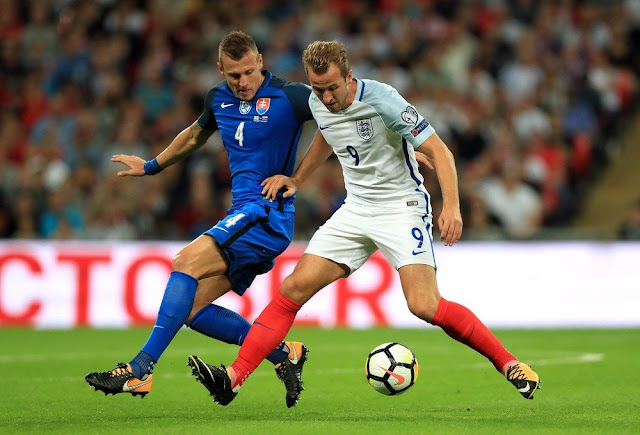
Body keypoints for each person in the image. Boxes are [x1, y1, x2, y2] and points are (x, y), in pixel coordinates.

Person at [187, 40, 541, 406]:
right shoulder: (316, 101)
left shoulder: (383, 99)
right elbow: (327, 135)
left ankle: (509, 364)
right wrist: (297, 179)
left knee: (424, 304)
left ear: (349, 77)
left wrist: (451, 206)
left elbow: (440, 150)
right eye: (318, 89)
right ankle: (233, 378)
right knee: (292, 289)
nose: (326, 98)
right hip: (356, 209)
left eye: (332, 88)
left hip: (401, 207)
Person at [85, 31, 313, 408]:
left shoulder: (291, 96)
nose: (242, 82)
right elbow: (194, 136)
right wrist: (151, 166)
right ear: (220, 69)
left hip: (265, 213)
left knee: (185, 262)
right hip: (243, 216)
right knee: (191, 310)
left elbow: (338, 121)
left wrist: (298, 178)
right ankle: (283, 354)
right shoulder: (217, 98)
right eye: (234, 75)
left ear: (260, 62)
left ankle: (140, 369)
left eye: (248, 72)